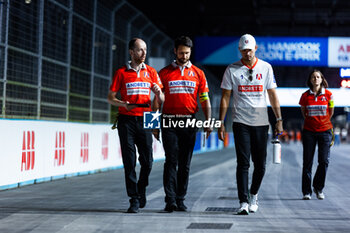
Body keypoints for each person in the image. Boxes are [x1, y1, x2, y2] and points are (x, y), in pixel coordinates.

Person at [218, 34, 283, 215]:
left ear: (256, 49)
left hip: (261, 122)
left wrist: (279, 120)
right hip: (240, 122)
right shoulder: (232, 69)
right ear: (240, 50)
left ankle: (253, 193)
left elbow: (272, 95)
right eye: (244, 50)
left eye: (250, 49)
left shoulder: (266, 68)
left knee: (260, 165)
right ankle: (243, 202)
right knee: (243, 163)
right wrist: (220, 123)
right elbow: (225, 98)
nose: (247, 53)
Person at [154, 36, 212, 212]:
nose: (184, 56)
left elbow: (204, 99)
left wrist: (208, 121)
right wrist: (154, 125)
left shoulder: (199, 74)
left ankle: (180, 199)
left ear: (190, 52)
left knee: (185, 163)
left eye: (187, 53)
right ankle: (170, 200)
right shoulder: (163, 73)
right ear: (175, 51)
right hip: (169, 121)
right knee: (171, 160)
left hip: (189, 121)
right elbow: (156, 102)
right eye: (181, 52)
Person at [107, 38, 164, 213]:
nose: (144, 53)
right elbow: (110, 98)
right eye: (140, 50)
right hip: (126, 120)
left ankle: (141, 188)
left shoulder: (152, 72)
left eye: (145, 50)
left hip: (147, 117)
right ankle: (134, 199)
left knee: (147, 161)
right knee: (129, 160)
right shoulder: (121, 72)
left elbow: (161, 100)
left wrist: (158, 93)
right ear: (131, 52)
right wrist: (124, 104)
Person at [299, 69, 334, 200]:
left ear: (321, 79)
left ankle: (318, 188)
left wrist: (323, 122)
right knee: (307, 162)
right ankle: (306, 192)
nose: (316, 79)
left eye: (318, 77)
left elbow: (331, 112)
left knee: (324, 161)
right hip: (309, 132)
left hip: (325, 131)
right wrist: (312, 122)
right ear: (310, 80)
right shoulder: (304, 96)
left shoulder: (329, 95)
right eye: (313, 77)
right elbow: (304, 112)